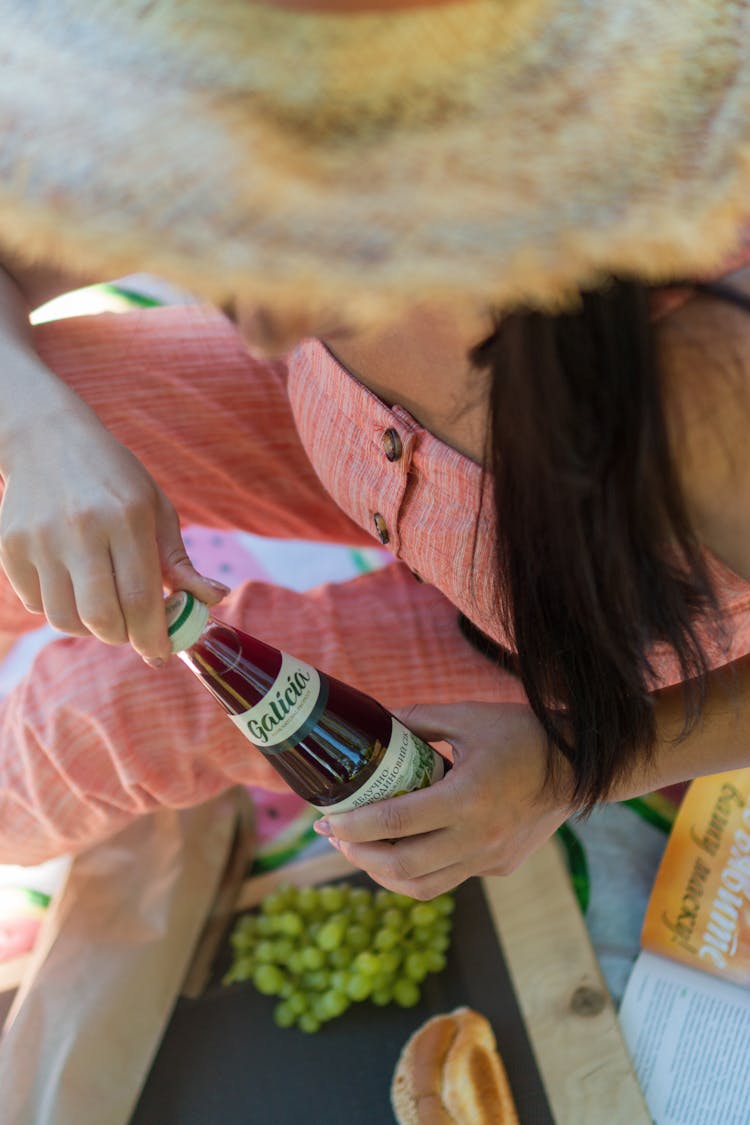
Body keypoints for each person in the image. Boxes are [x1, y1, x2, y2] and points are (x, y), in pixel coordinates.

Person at [0, 0, 749, 901]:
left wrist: (568, 769)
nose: (267, 330)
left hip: (563, 638)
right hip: (342, 446)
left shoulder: (701, 363)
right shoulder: (247, 85)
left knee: (79, 728)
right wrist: (38, 431)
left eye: (303, 251)